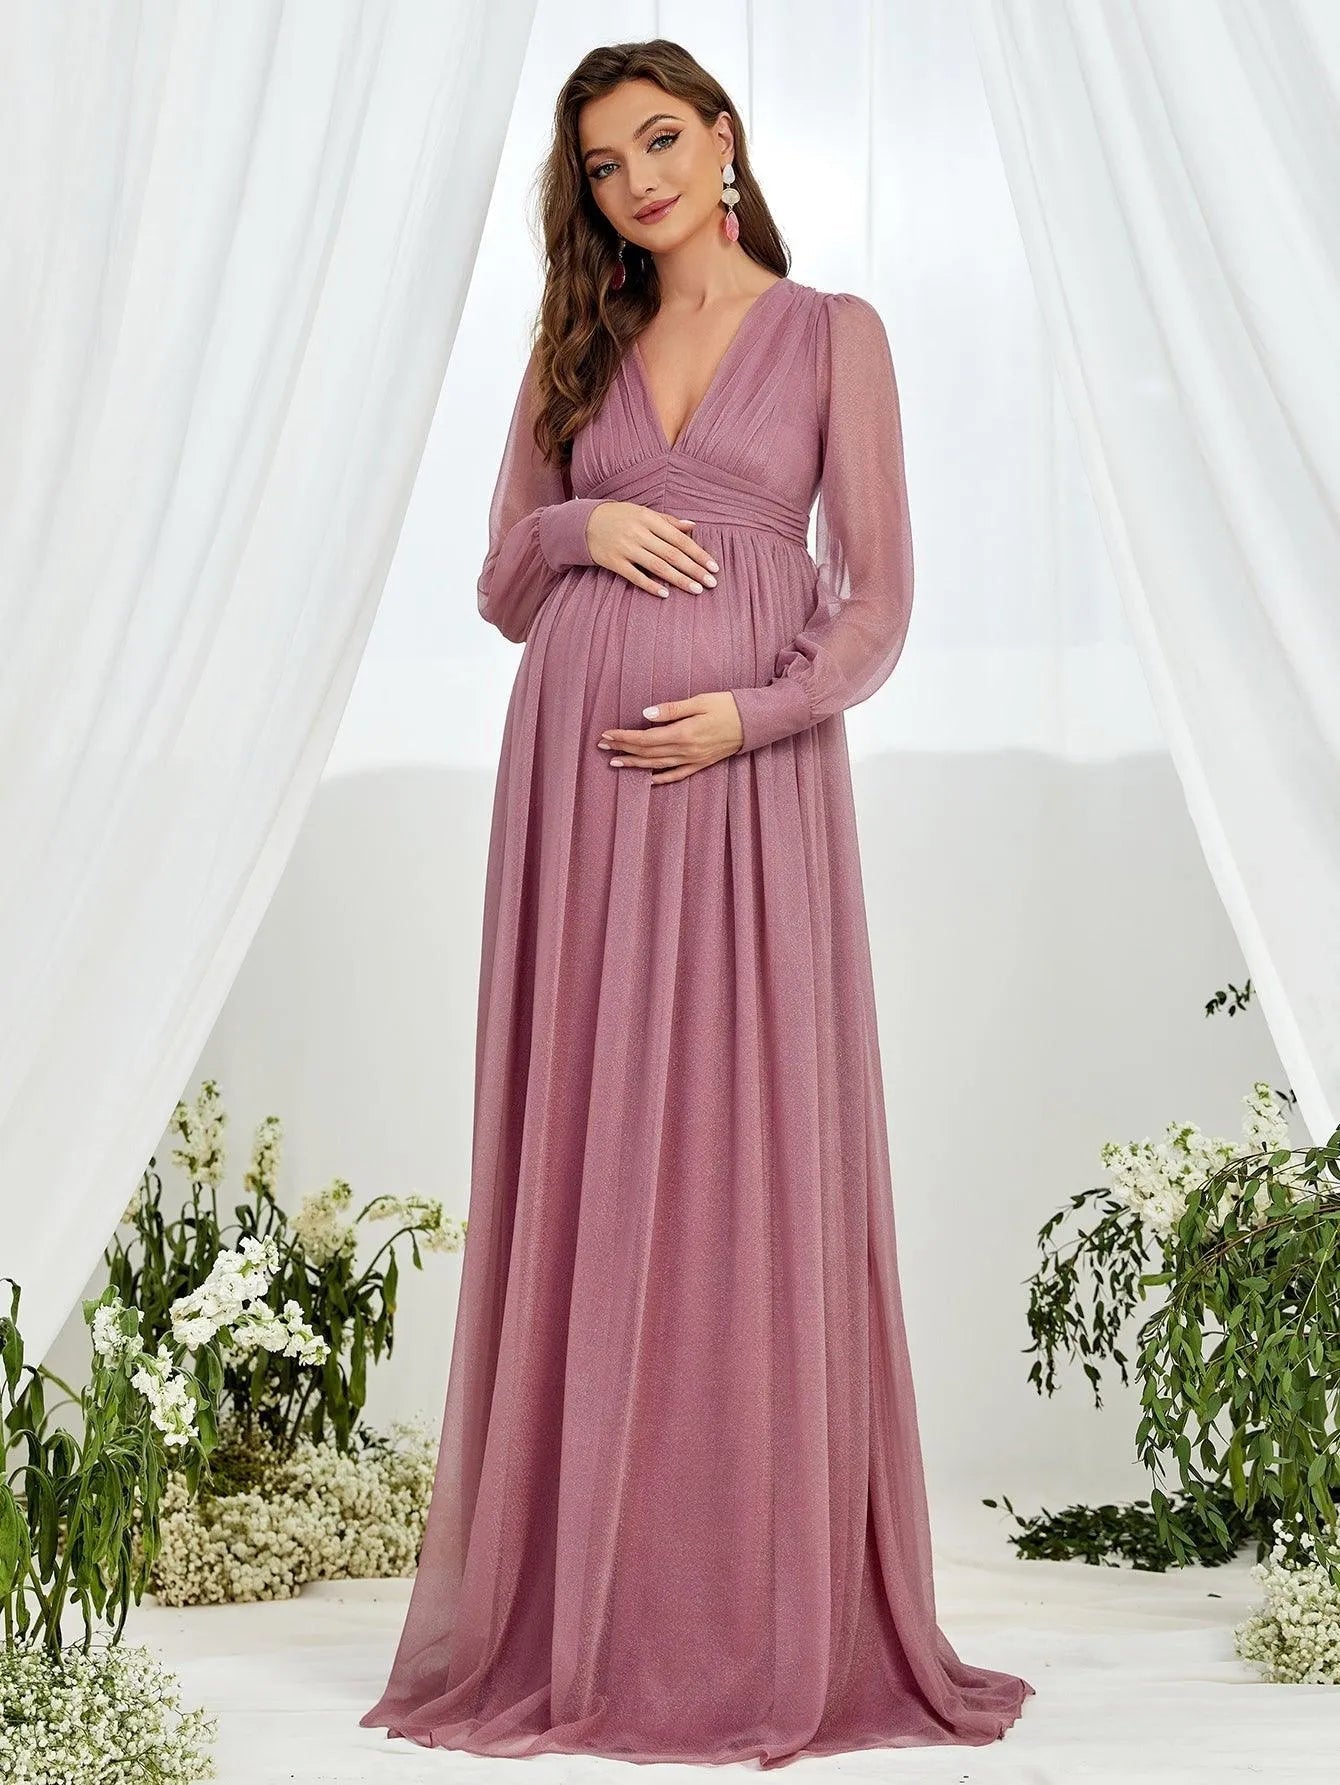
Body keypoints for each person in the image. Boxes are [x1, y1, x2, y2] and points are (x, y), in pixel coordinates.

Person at [360, 37, 1035, 1768]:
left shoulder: (834, 335)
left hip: (747, 786)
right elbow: (501, 574)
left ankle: (741, 1602)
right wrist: (580, 534)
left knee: (746, 1151)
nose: (639, 179)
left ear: (724, 140)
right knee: (593, 1143)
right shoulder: (573, 346)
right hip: (577, 793)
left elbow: (877, 600)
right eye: (603, 163)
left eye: (660, 139)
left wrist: (760, 712)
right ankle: (579, 1598)